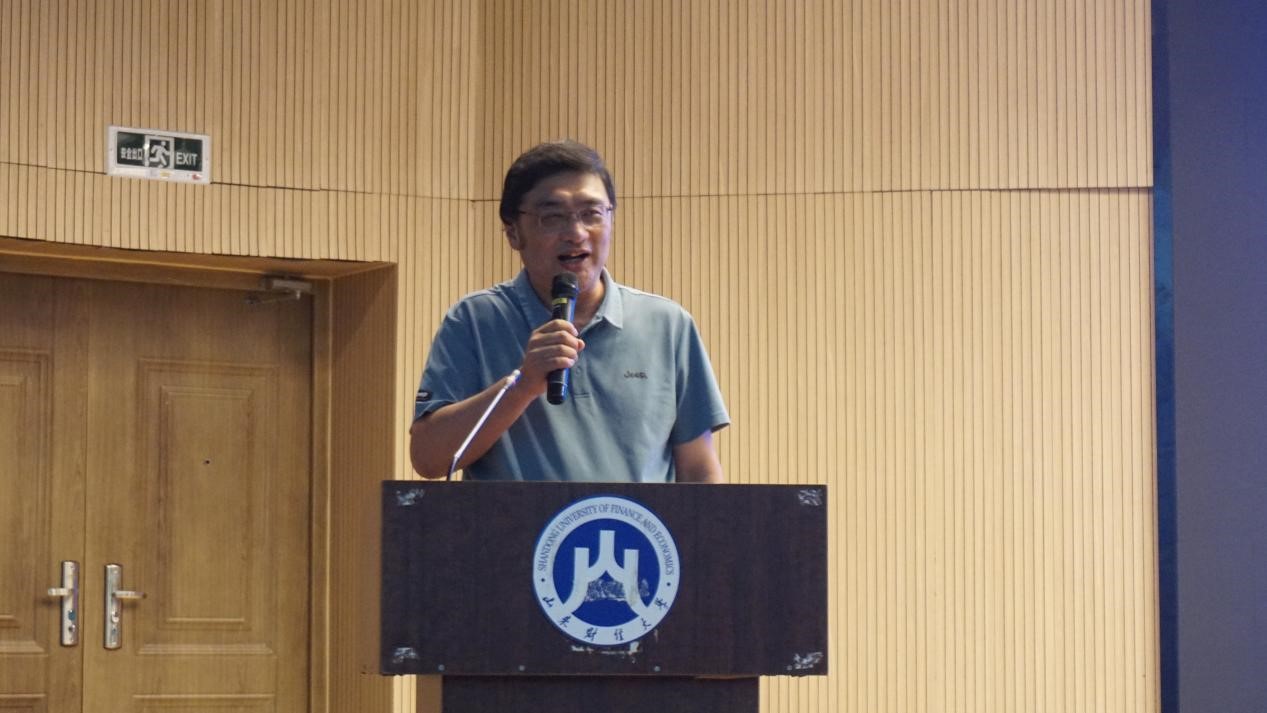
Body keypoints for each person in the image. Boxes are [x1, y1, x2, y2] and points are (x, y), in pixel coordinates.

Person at [409, 140, 728, 482]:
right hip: (518, 520)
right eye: (552, 217)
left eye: (592, 214)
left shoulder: (667, 324)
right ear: (513, 233)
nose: (576, 233)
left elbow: (699, 469)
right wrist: (523, 385)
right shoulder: (475, 320)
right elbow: (429, 459)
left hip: (636, 521)